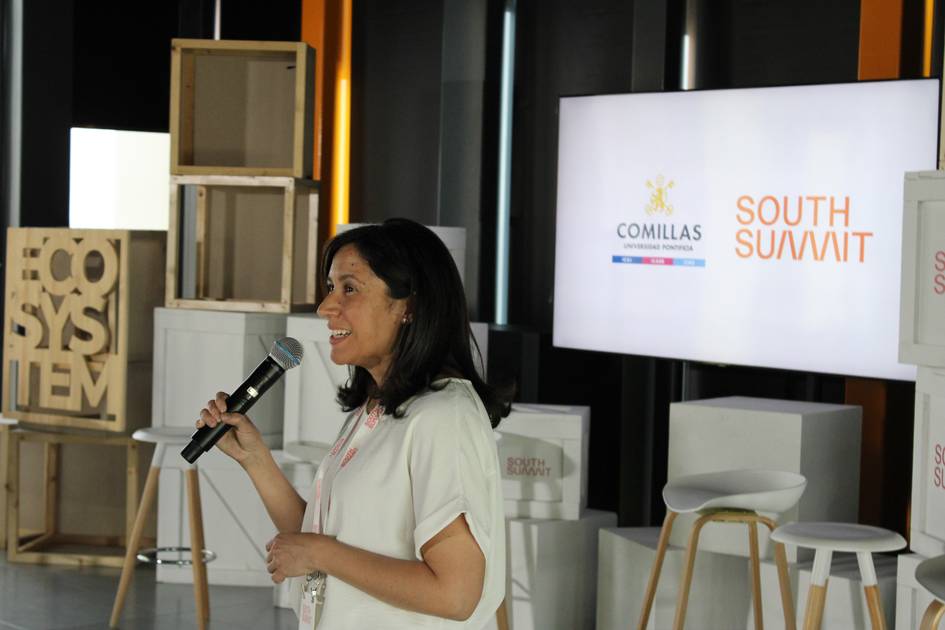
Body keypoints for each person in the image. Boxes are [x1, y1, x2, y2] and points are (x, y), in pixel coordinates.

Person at [196, 218, 512, 629]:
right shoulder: (377, 409)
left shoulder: (442, 417)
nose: (327, 307)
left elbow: (455, 593)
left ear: (409, 306)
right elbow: (325, 538)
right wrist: (254, 459)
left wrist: (318, 555)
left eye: (349, 288)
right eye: (330, 288)